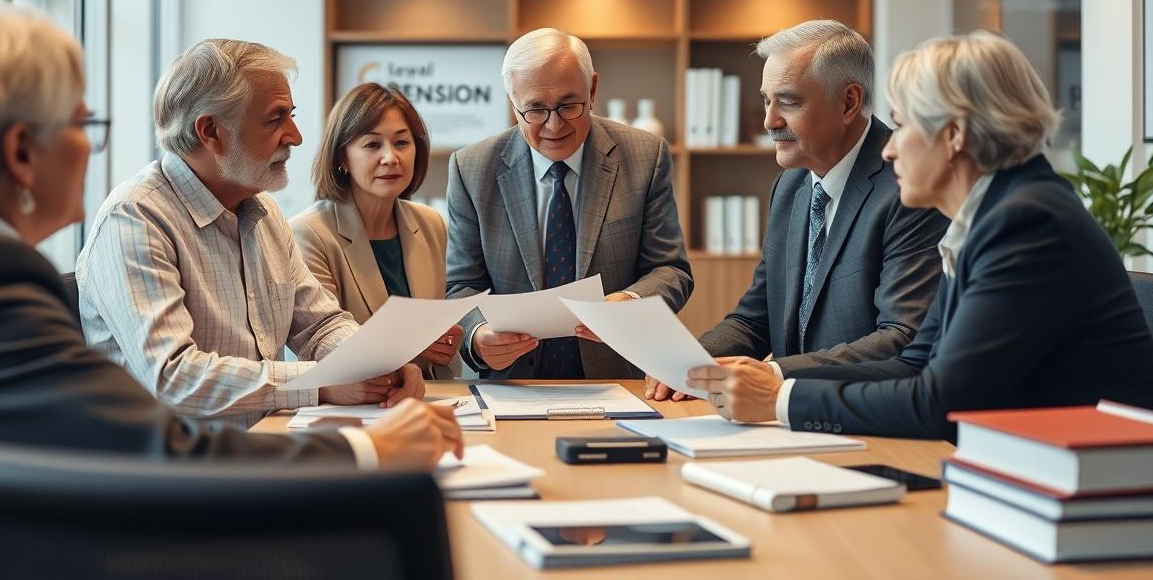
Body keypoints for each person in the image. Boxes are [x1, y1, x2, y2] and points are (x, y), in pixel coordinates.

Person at [0, 5, 463, 580]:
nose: (93, 146)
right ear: (22, 152)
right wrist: (361, 449)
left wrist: (369, 364)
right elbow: (155, 440)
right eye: (85, 123)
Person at [689, 31, 1153, 438]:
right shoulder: (993, 213)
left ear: (955, 135)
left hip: (1112, 498)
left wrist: (780, 398)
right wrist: (774, 387)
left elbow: (943, 401)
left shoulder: (1027, 223)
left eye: (902, 126)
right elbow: (916, 362)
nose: (891, 149)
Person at [77, 39, 427, 429]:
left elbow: (320, 325)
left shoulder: (264, 212)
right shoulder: (136, 218)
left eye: (290, 116)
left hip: (259, 449)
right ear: (210, 131)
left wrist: (377, 363)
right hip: (172, 473)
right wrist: (320, 383)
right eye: (275, 119)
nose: (295, 136)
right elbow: (172, 376)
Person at [647, 20, 947, 401]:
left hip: (866, 419)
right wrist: (691, 362)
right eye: (766, 100)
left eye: (788, 101)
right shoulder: (790, 187)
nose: (770, 121)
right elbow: (755, 320)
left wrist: (773, 373)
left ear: (849, 102)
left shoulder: (908, 186)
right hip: (787, 418)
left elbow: (902, 337)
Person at [446, 27, 693, 379]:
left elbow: (671, 270)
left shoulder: (644, 156)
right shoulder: (472, 169)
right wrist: (478, 336)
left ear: (592, 89)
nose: (554, 125)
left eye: (568, 105)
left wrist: (631, 304)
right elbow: (461, 285)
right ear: (512, 103)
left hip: (619, 377)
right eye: (535, 109)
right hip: (512, 384)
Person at [290, 83, 462, 379]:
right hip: (355, 402)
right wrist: (414, 345)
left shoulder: (431, 223)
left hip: (434, 396)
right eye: (372, 145)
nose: (391, 158)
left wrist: (447, 341)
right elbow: (320, 342)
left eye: (401, 143)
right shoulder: (309, 233)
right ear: (342, 158)